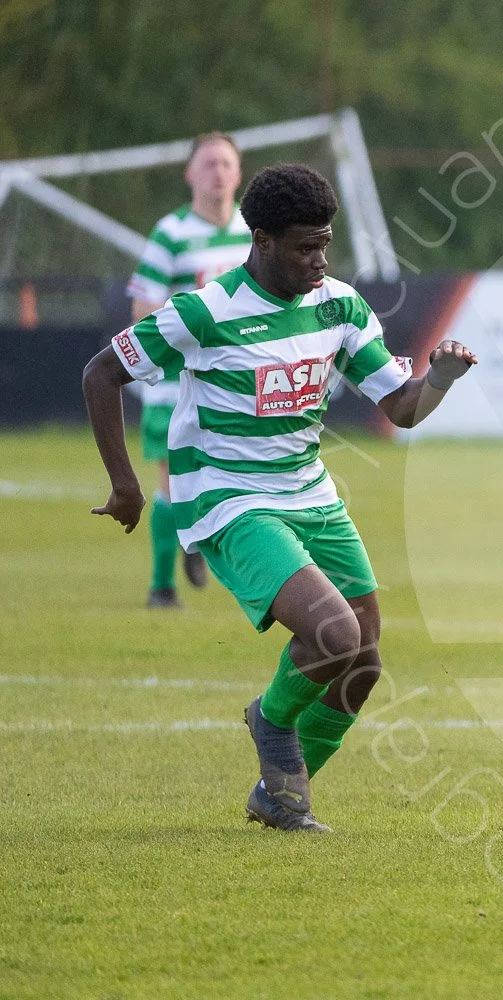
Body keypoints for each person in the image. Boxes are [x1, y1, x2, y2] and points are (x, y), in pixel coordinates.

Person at [83, 163, 478, 833]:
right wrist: (125, 482)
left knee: (363, 663)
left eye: (326, 244)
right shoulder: (206, 311)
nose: (319, 260)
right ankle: (270, 722)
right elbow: (101, 372)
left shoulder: (340, 306)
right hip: (228, 497)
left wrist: (437, 378)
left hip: (308, 490)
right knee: (333, 632)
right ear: (261, 240)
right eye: (303, 246)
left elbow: (402, 409)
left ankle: (280, 797)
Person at [127, 131, 253, 608]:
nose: (217, 173)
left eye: (225, 164)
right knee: (171, 479)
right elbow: (143, 308)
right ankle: (162, 587)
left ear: (238, 173)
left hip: (232, 382)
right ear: (190, 174)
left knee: (230, 478)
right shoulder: (170, 233)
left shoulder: (252, 230)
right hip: (175, 384)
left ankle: (197, 536)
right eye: (208, 164)